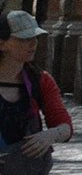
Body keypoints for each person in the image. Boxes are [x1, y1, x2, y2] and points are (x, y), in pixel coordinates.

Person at [0, 10, 74, 175]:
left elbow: (66, 127)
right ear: (2, 44)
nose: (33, 43)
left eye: (35, 38)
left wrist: (50, 136)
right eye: (24, 39)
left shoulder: (41, 81)